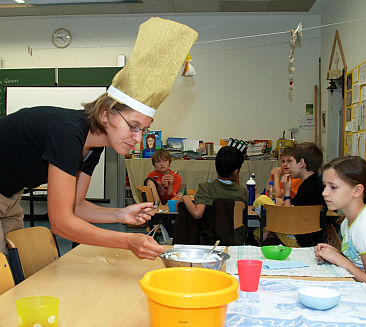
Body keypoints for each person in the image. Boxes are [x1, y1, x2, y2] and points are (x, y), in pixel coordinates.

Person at [0, 18, 198, 260]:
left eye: (143, 130)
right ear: (106, 114)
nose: (138, 138)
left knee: (14, 268)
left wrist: (120, 215)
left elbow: (75, 206)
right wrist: (128, 241)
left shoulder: (93, 148)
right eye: (133, 126)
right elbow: (61, 223)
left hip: (10, 197)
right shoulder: (67, 134)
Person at [314, 156, 366, 306]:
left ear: (357, 190)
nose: (324, 193)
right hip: (359, 292)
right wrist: (335, 254)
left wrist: (340, 260)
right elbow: (357, 261)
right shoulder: (349, 220)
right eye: (325, 186)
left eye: (332, 187)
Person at [273, 142, 325, 247]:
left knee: (262, 202)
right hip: (311, 237)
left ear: (301, 163)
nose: (287, 165)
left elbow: (289, 216)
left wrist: (287, 192)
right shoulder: (315, 183)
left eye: (290, 161)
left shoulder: (308, 187)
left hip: (299, 239)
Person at [179, 146, 248, 219]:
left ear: (216, 165)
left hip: (211, 230)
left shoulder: (206, 188)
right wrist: (235, 175)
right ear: (236, 172)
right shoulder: (242, 191)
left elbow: (197, 213)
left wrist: (185, 197)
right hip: (236, 230)